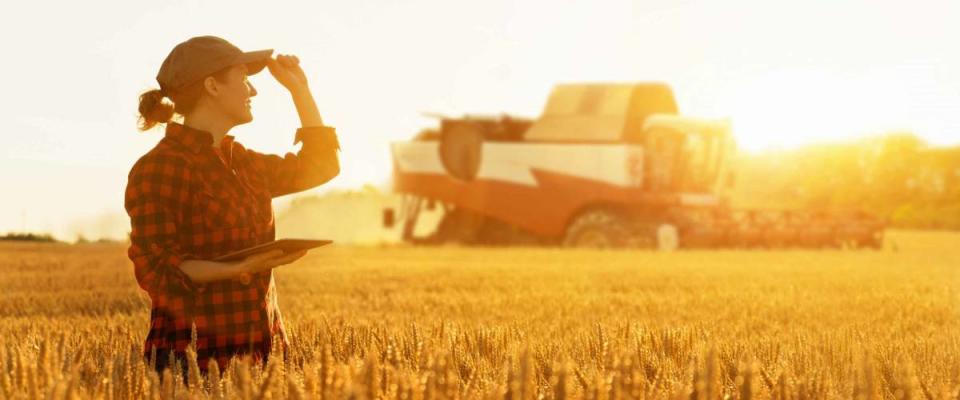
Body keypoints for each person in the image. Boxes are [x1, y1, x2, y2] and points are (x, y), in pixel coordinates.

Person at [126, 36, 340, 378]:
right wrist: (246, 265)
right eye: (243, 79)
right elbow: (160, 271)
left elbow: (322, 166)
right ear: (212, 85)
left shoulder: (243, 163)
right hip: (193, 363)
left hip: (261, 355)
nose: (252, 91)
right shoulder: (159, 168)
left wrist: (300, 91)